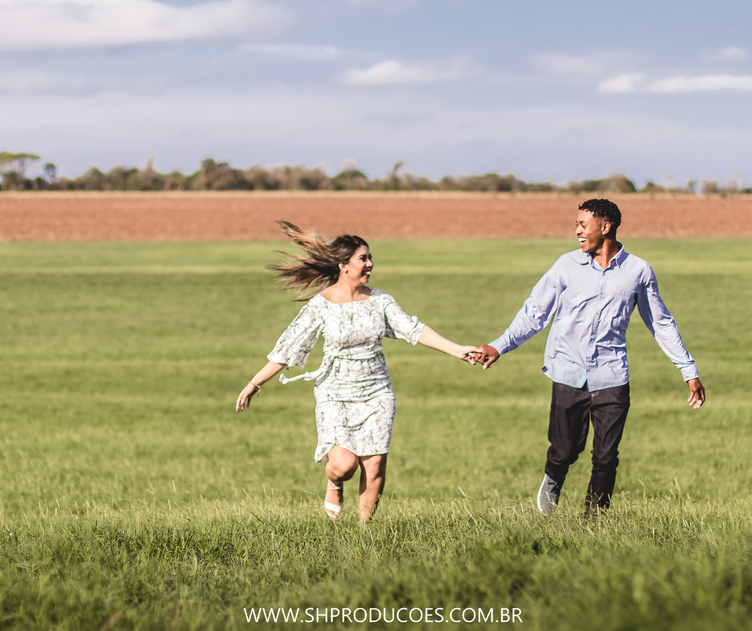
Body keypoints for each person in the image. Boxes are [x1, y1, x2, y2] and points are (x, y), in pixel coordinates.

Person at [475, 199, 705, 516]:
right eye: (577, 225)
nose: (577, 231)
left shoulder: (638, 271)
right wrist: (500, 345)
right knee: (565, 450)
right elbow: (535, 313)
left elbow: (660, 323)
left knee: (606, 456)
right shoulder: (566, 266)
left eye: (583, 225)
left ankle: (594, 521)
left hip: (612, 375)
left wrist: (688, 370)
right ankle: (553, 477)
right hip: (567, 372)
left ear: (605, 227)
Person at [237, 221, 478, 522]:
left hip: (377, 391)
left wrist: (458, 350)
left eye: (370, 258)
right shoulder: (321, 305)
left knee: (374, 465)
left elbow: (413, 329)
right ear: (343, 266)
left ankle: (366, 532)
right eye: (363, 258)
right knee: (344, 466)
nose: (370, 264)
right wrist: (254, 383)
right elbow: (288, 347)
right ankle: (334, 483)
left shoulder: (380, 301)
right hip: (334, 392)